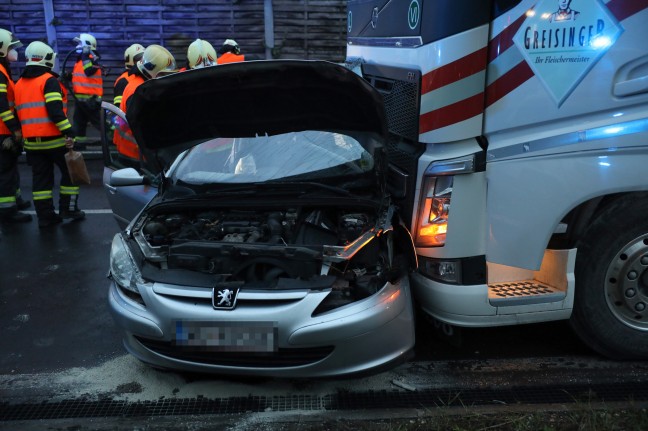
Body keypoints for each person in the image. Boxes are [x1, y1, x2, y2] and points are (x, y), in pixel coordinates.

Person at [14, 41, 85, 228]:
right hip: (54, 141)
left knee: (41, 182)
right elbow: (55, 110)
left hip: (31, 144)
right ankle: (68, 209)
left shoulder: (19, 83)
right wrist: (69, 131)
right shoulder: (49, 81)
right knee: (70, 175)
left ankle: (45, 217)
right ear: (46, 58)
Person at [114, 44, 176, 161]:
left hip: (137, 153)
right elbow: (143, 126)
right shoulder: (137, 91)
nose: (164, 78)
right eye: (162, 74)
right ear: (150, 70)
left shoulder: (142, 85)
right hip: (134, 155)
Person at [0, 28, 31, 223]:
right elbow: (2, 106)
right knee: (5, 172)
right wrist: (15, 129)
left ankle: (15, 200)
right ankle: (7, 209)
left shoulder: (3, 70)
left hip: (4, 130)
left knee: (11, 167)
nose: (15, 51)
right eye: (12, 47)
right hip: (2, 132)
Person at [70, 33, 103, 148]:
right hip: (81, 99)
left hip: (91, 100)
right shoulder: (80, 61)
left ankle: (113, 139)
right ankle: (80, 143)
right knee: (79, 122)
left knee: (99, 122)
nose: (77, 46)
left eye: (80, 43)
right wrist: (68, 76)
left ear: (87, 46)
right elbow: (81, 77)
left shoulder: (92, 60)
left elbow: (89, 71)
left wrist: (85, 56)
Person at [113, 43, 144, 109]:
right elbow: (119, 109)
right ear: (130, 60)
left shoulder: (143, 75)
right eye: (139, 59)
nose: (142, 62)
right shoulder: (123, 81)